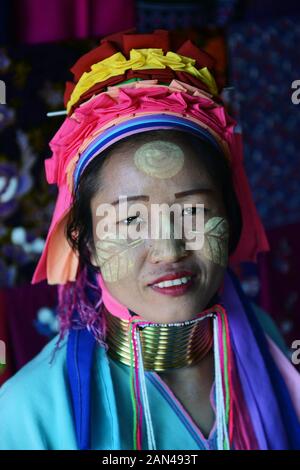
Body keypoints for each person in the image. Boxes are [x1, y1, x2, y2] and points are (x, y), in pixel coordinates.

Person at [0, 29, 299, 450]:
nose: (169, 249)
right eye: (131, 221)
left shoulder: (263, 342)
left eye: (193, 211)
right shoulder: (29, 413)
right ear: (86, 243)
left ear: (229, 218)